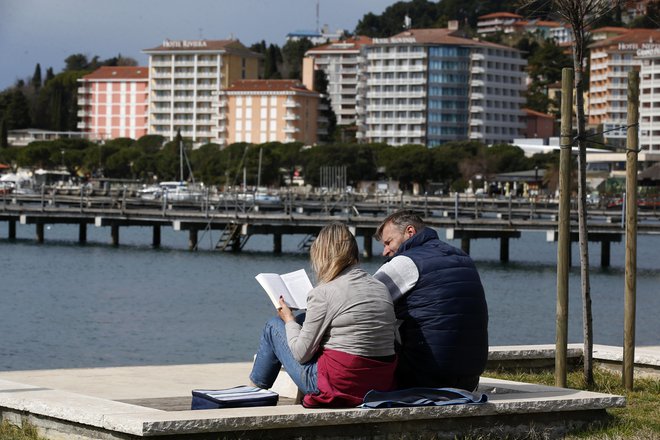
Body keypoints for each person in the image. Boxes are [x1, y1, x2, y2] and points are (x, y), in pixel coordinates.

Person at [249, 222, 398, 407]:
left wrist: (288, 318)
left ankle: (253, 393)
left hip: (338, 385)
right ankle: (256, 392)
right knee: (302, 320)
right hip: (378, 384)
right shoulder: (380, 287)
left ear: (323, 254)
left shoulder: (324, 292)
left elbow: (300, 354)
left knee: (273, 326)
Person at [373, 210, 488, 391]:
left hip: (423, 377)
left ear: (409, 232)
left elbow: (360, 299)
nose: (385, 251)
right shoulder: (463, 257)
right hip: (469, 379)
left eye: (388, 242)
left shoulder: (406, 262)